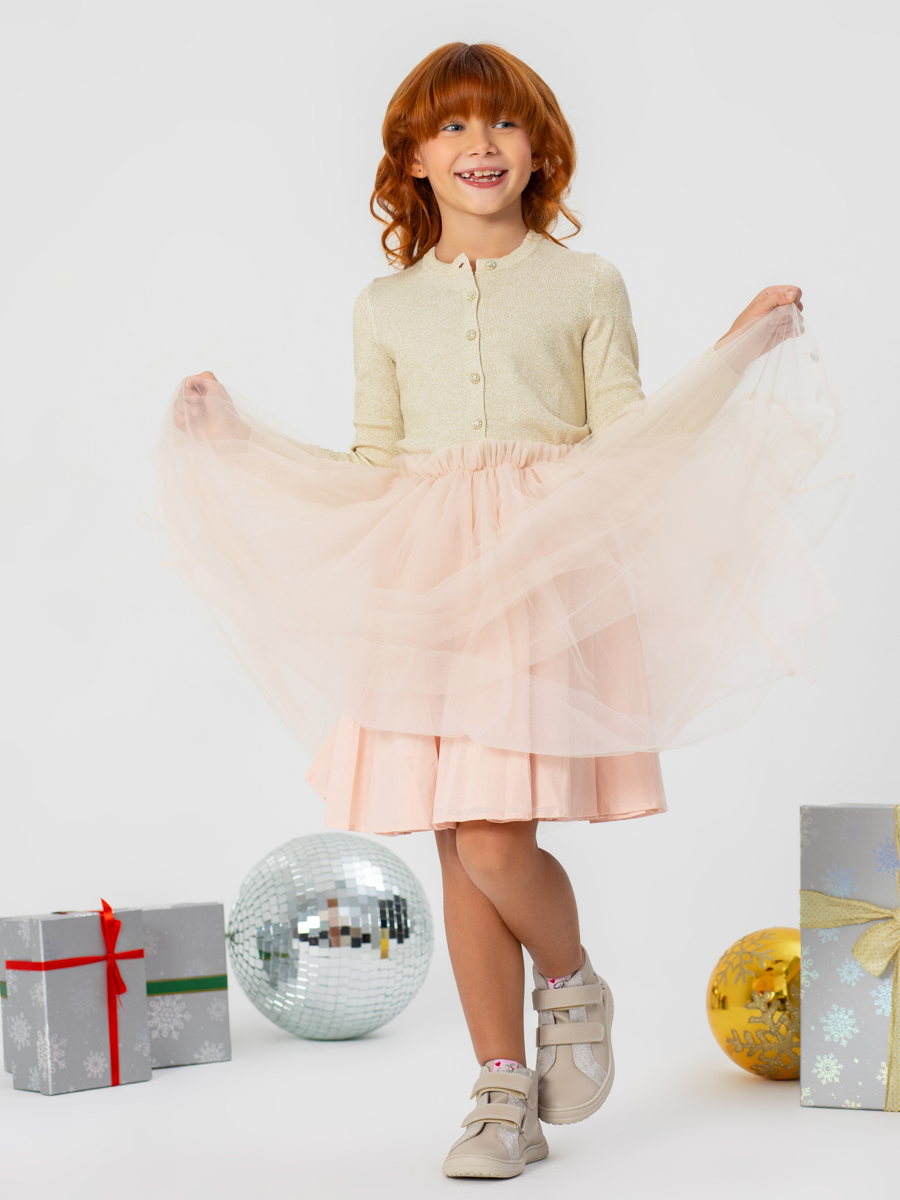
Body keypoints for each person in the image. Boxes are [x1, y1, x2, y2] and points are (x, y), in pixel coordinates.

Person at [156, 43, 845, 1180]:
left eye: (504, 124)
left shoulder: (586, 285)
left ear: (539, 150)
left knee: (493, 839)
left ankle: (570, 987)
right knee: (458, 846)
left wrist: (734, 351)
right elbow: (373, 465)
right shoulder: (384, 307)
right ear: (414, 161)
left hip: (538, 581)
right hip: (424, 588)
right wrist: (239, 443)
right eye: (453, 128)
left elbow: (630, 439)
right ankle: (500, 1094)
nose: (481, 145)